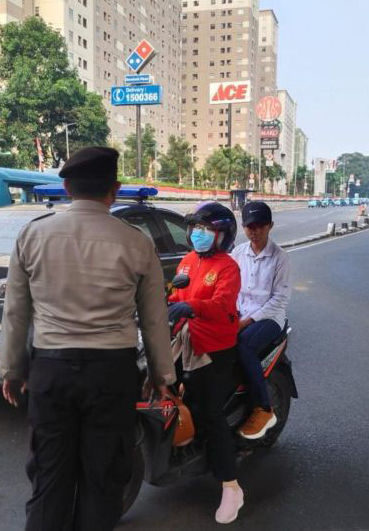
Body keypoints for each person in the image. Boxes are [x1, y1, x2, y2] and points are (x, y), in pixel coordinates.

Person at [0, 146, 176, 531]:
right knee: (103, 480)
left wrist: (12, 370)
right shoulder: (137, 242)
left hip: (50, 372)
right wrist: (163, 378)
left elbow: (15, 311)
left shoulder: (33, 235)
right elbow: (155, 319)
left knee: (49, 477)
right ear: (114, 189)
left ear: (65, 187)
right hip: (111, 377)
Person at [167, 201, 244, 524]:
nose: (197, 234)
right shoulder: (186, 261)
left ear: (222, 235)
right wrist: (167, 299)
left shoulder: (228, 267)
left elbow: (223, 303)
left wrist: (192, 307)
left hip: (214, 347)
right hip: (185, 340)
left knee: (210, 413)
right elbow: (175, 294)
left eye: (205, 229)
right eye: (195, 228)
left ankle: (231, 485)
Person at [230, 201, 290, 440]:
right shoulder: (237, 253)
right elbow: (230, 289)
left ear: (270, 226)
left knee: (243, 347)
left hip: (269, 317)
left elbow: (280, 299)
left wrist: (246, 322)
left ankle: (263, 408)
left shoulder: (280, 257)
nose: (254, 231)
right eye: (249, 226)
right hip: (240, 314)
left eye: (260, 226)